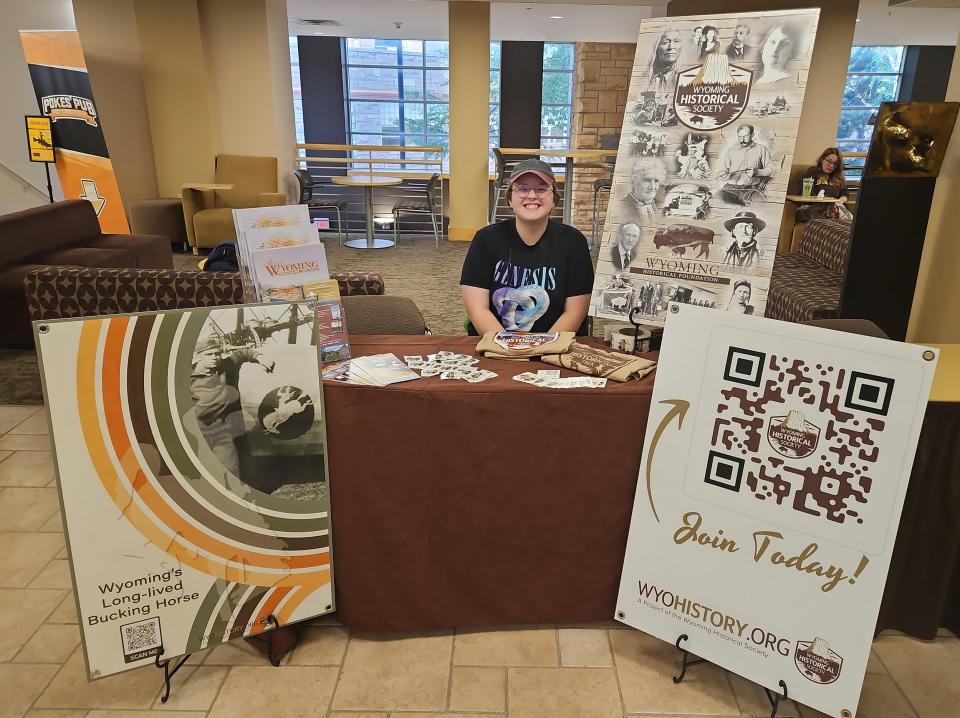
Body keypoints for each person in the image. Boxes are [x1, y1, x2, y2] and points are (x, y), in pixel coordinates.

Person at [460, 159, 594, 335]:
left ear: (554, 200)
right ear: (510, 199)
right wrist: (508, 349)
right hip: (496, 348)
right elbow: (477, 310)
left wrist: (544, 349)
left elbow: (575, 312)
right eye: (522, 188)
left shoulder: (574, 242)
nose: (532, 196)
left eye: (541, 189)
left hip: (554, 350)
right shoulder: (486, 240)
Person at [190, 336, 275, 477]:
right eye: (209, 354)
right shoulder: (187, 378)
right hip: (198, 431)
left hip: (221, 432)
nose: (214, 357)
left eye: (217, 353)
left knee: (229, 470)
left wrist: (260, 358)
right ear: (197, 356)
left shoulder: (226, 365)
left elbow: (242, 353)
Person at [717, 124, 774, 205]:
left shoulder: (762, 149)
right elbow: (722, 169)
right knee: (716, 199)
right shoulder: (731, 151)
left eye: (745, 136)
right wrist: (722, 174)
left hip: (751, 189)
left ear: (752, 135)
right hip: (730, 187)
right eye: (739, 137)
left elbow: (771, 169)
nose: (742, 140)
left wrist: (758, 172)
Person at [796, 147, 849, 221]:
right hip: (812, 208)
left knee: (844, 218)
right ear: (822, 159)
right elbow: (806, 195)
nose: (831, 166)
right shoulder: (812, 172)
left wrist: (840, 201)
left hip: (833, 208)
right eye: (829, 161)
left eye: (835, 164)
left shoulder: (838, 177)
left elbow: (845, 193)